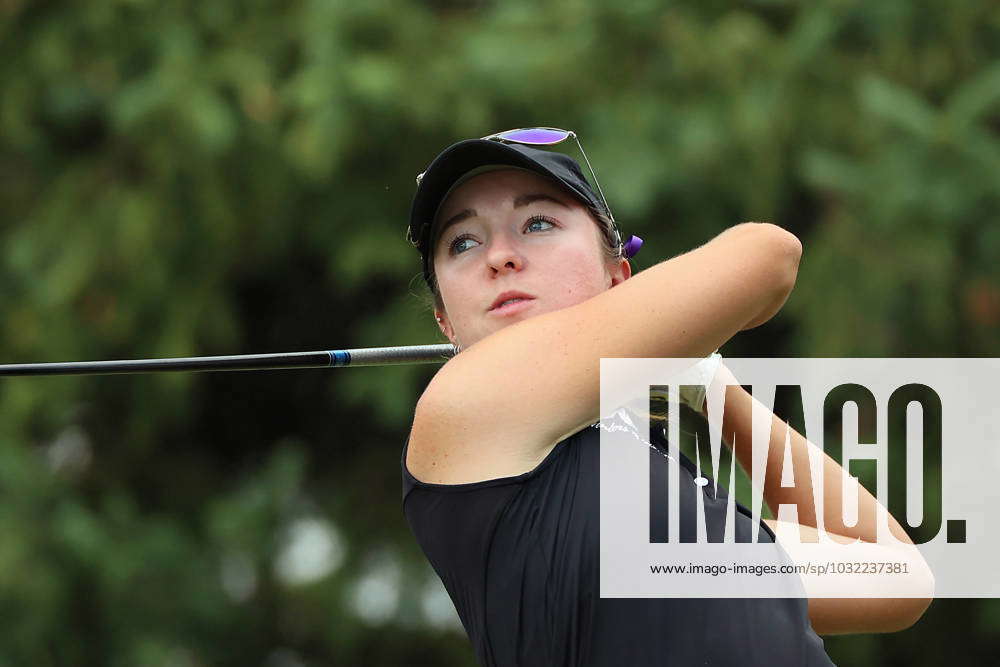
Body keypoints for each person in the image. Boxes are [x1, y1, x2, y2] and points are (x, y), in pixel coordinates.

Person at [400, 128, 932, 666]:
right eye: (462, 242)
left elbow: (893, 574)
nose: (500, 257)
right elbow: (768, 254)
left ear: (618, 276)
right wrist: (669, 341)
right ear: (446, 321)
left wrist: (713, 389)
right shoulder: (465, 404)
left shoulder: (654, 488)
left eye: (537, 223)